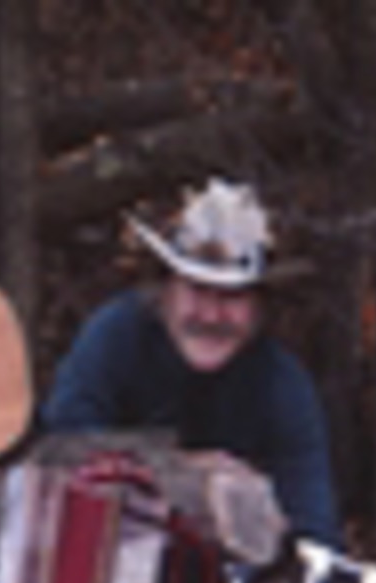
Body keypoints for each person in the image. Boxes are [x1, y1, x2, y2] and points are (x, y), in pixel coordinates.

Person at [41, 178, 341, 545]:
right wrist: (183, 474)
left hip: (226, 573)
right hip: (105, 553)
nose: (211, 315)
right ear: (165, 289)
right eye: (197, 290)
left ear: (259, 307)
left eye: (232, 297)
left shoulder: (282, 386)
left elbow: (314, 529)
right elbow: (61, 448)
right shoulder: (116, 338)